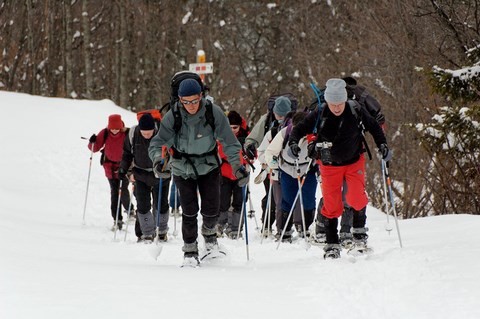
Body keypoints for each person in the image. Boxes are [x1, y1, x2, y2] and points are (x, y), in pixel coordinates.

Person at [148, 78, 248, 265]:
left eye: (194, 101)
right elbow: (158, 142)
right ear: (179, 99)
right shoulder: (173, 115)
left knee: (211, 209)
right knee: (189, 209)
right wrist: (158, 161)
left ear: (201, 96)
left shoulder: (213, 112)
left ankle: (210, 237)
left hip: (209, 165)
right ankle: (190, 251)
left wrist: (237, 166)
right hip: (181, 166)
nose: (191, 106)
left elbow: (230, 142)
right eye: (186, 102)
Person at [288, 78, 391, 259]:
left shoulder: (355, 109)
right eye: (332, 103)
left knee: (356, 197)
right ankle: (332, 243)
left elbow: (374, 127)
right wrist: (293, 143)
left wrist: (382, 144)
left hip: (354, 161)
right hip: (329, 165)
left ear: (345, 100)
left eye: (339, 103)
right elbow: (300, 128)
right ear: (327, 101)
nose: (336, 108)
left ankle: (359, 237)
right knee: (331, 204)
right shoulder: (320, 112)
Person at [265, 112, 317, 242]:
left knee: (308, 199)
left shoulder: (313, 133)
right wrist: (275, 166)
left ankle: (307, 228)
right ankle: (284, 230)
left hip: (307, 169)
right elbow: (270, 152)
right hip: (287, 169)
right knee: (287, 199)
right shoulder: (284, 133)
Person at [245, 96, 292, 235]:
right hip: (268, 165)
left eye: (284, 114)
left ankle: (284, 227)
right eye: (279, 114)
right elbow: (253, 139)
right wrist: (252, 149)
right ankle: (268, 225)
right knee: (272, 196)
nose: (281, 117)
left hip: (289, 166)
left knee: (284, 197)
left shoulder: (295, 121)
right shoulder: (266, 120)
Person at [119, 113, 170, 242]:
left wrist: (168, 167)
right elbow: (127, 154)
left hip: (160, 174)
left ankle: (162, 231)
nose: (147, 135)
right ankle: (147, 233)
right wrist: (123, 169)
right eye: (144, 133)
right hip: (140, 174)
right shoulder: (133, 134)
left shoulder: (162, 134)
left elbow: (171, 153)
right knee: (143, 205)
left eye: (149, 133)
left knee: (161, 204)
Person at [87, 114, 133, 230]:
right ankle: (117, 219)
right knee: (114, 193)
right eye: (112, 128)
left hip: (124, 167)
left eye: (117, 128)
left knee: (122, 191)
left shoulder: (127, 133)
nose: (114, 130)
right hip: (110, 167)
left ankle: (129, 209)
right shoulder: (105, 133)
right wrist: (92, 142)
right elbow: (95, 148)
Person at [216, 110, 250, 239]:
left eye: (235, 127)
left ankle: (235, 227)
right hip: (224, 173)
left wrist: (249, 153)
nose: (232, 130)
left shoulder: (246, 136)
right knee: (222, 201)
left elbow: (253, 155)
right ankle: (220, 224)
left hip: (241, 174)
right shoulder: (221, 135)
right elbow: (219, 151)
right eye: (230, 127)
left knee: (239, 201)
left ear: (240, 126)